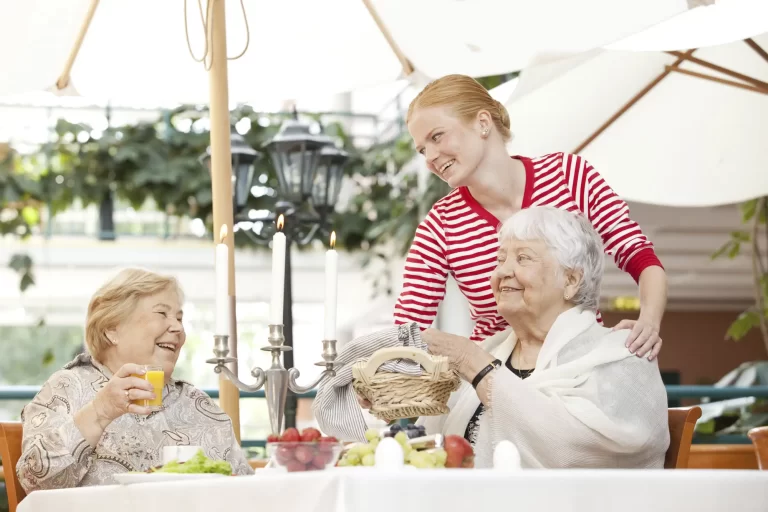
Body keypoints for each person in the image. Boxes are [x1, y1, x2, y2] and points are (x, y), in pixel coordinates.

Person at [314, 207, 669, 469]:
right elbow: (434, 439)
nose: (503, 271)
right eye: (500, 259)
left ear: (572, 281)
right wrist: (389, 403)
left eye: (523, 258)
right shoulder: (493, 349)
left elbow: (572, 449)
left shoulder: (621, 356)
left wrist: (474, 363)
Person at [394, 74, 667, 361]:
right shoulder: (440, 225)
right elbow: (408, 324)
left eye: (437, 136)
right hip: (496, 381)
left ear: (483, 123)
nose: (430, 157)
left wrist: (648, 322)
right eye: (422, 149)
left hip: (580, 367)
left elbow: (639, 254)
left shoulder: (568, 175)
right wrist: (387, 370)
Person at [16, 268, 253, 491]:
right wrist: (100, 412)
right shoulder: (68, 388)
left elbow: (244, 490)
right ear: (112, 329)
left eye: (179, 318)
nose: (178, 328)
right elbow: (34, 480)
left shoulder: (197, 404)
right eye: (162, 313)